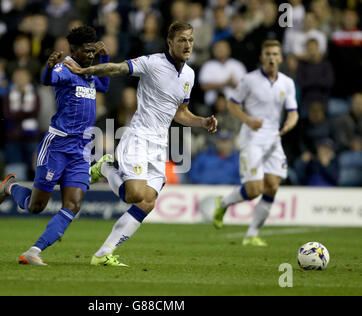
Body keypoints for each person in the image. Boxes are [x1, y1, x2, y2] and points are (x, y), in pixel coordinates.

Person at [63, 21, 217, 266]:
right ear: (170, 43)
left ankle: (103, 254)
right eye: (182, 40)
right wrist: (86, 71)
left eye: (190, 40)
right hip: (138, 138)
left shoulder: (189, 74)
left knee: (147, 202)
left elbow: (180, 112)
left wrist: (202, 121)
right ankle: (105, 167)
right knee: (134, 195)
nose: (187, 45)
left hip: (159, 145)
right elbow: (117, 68)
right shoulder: (152, 63)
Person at [0, 26, 110, 266]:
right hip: (58, 145)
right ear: (73, 50)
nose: (90, 55)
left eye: (92, 51)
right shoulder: (64, 68)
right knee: (35, 206)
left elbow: (104, 86)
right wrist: (47, 66)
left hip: (81, 149)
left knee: (73, 205)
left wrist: (105, 58)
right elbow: (48, 80)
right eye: (86, 51)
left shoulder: (87, 72)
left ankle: (34, 251)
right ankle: (10, 186)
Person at [213, 40, 299, 246]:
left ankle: (251, 234)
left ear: (280, 58)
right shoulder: (249, 80)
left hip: (273, 139)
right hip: (251, 138)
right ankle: (223, 203)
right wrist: (248, 120)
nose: (271, 57)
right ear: (262, 57)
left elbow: (293, 112)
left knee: (272, 186)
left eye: (275, 54)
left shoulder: (287, 83)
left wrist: (289, 124)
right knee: (254, 190)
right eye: (267, 53)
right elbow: (232, 104)